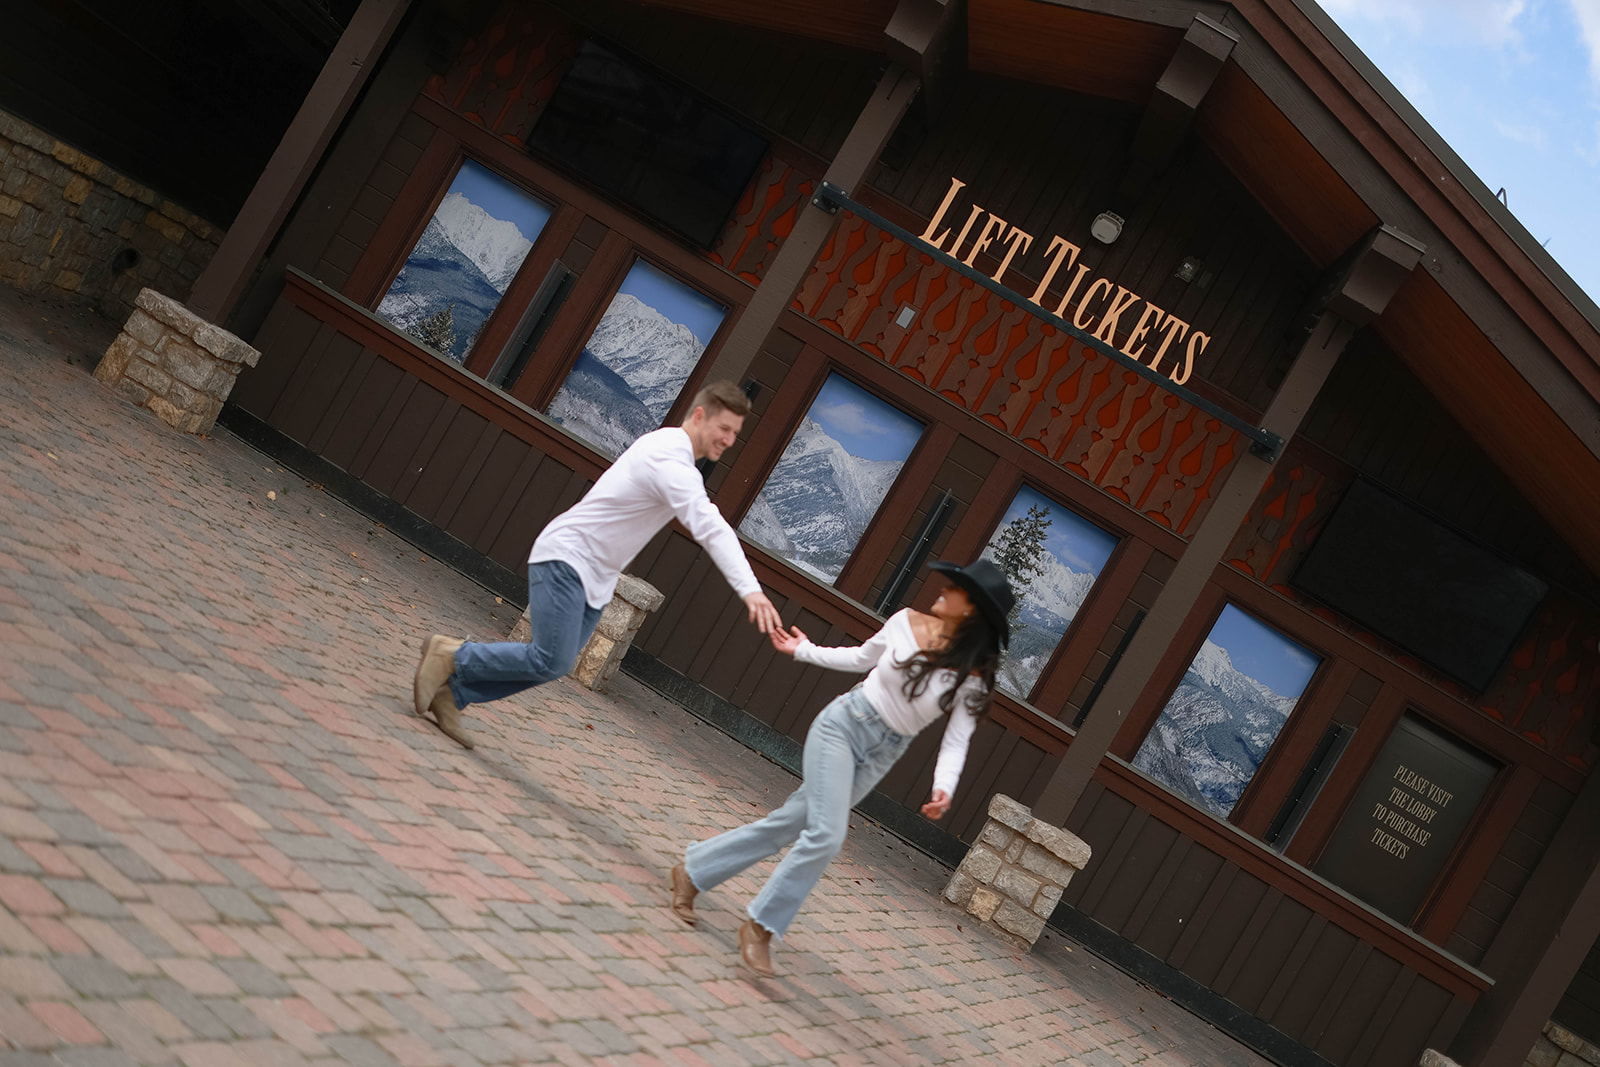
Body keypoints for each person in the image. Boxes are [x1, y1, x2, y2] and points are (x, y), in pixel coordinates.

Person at [668, 558, 1014, 977]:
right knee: (826, 836)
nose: (942, 589)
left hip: (883, 753)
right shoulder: (905, 621)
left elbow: (957, 740)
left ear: (972, 608)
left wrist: (944, 787)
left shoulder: (971, 676)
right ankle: (761, 928)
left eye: (956, 588)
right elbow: (860, 658)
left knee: (788, 825)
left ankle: (692, 871)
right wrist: (804, 650)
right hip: (845, 726)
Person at [412, 380, 783, 748]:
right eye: (725, 429)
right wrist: (750, 590)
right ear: (699, 415)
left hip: (596, 578)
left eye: (735, 433)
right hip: (568, 558)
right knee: (549, 658)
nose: (730, 440)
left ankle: (453, 694)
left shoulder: (673, 452)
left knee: (552, 664)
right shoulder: (669, 458)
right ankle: (451, 654)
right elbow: (710, 526)